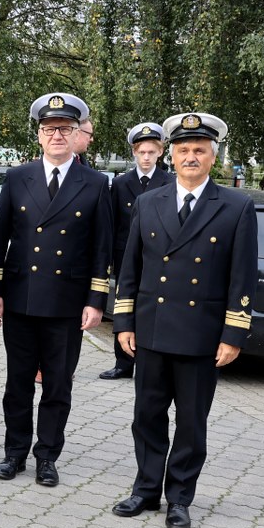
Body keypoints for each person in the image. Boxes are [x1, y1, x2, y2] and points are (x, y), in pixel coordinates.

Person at [112, 112, 257, 528]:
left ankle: (179, 497)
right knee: (147, 416)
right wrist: (124, 323)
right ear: (171, 156)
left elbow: (242, 276)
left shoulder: (236, 206)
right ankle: (145, 489)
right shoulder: (148, 202)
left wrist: (234, 333)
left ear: (213, 157)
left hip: (201, 335)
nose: (190, 157)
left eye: (199, 150)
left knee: (191, 423)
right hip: (152, 329)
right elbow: (131, 268)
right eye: (183, 150)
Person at [0, 93, 113, 487]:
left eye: (64, 128)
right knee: (18, 383)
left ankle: (47, 456)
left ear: (77, 134)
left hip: (66, 301)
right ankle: (14, 453)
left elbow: (102, 247)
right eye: (49, 129)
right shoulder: (17, 177)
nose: (56, 135)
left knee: (58, 384)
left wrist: (96, 300)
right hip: (20, 297)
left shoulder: (95, 183)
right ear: (39, 135)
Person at [99, 122, 171, 380]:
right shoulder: (121, 183)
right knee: (124, 305)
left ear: (160, 152)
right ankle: (123, 362)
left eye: (152, 152)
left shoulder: (170, 182)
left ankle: (153, 363)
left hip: (157, 256)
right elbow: (112, 224)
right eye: (142, 152)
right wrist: (109, 259)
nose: (147, 157)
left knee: (154, 306)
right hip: (125, 255)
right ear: (134, 152)